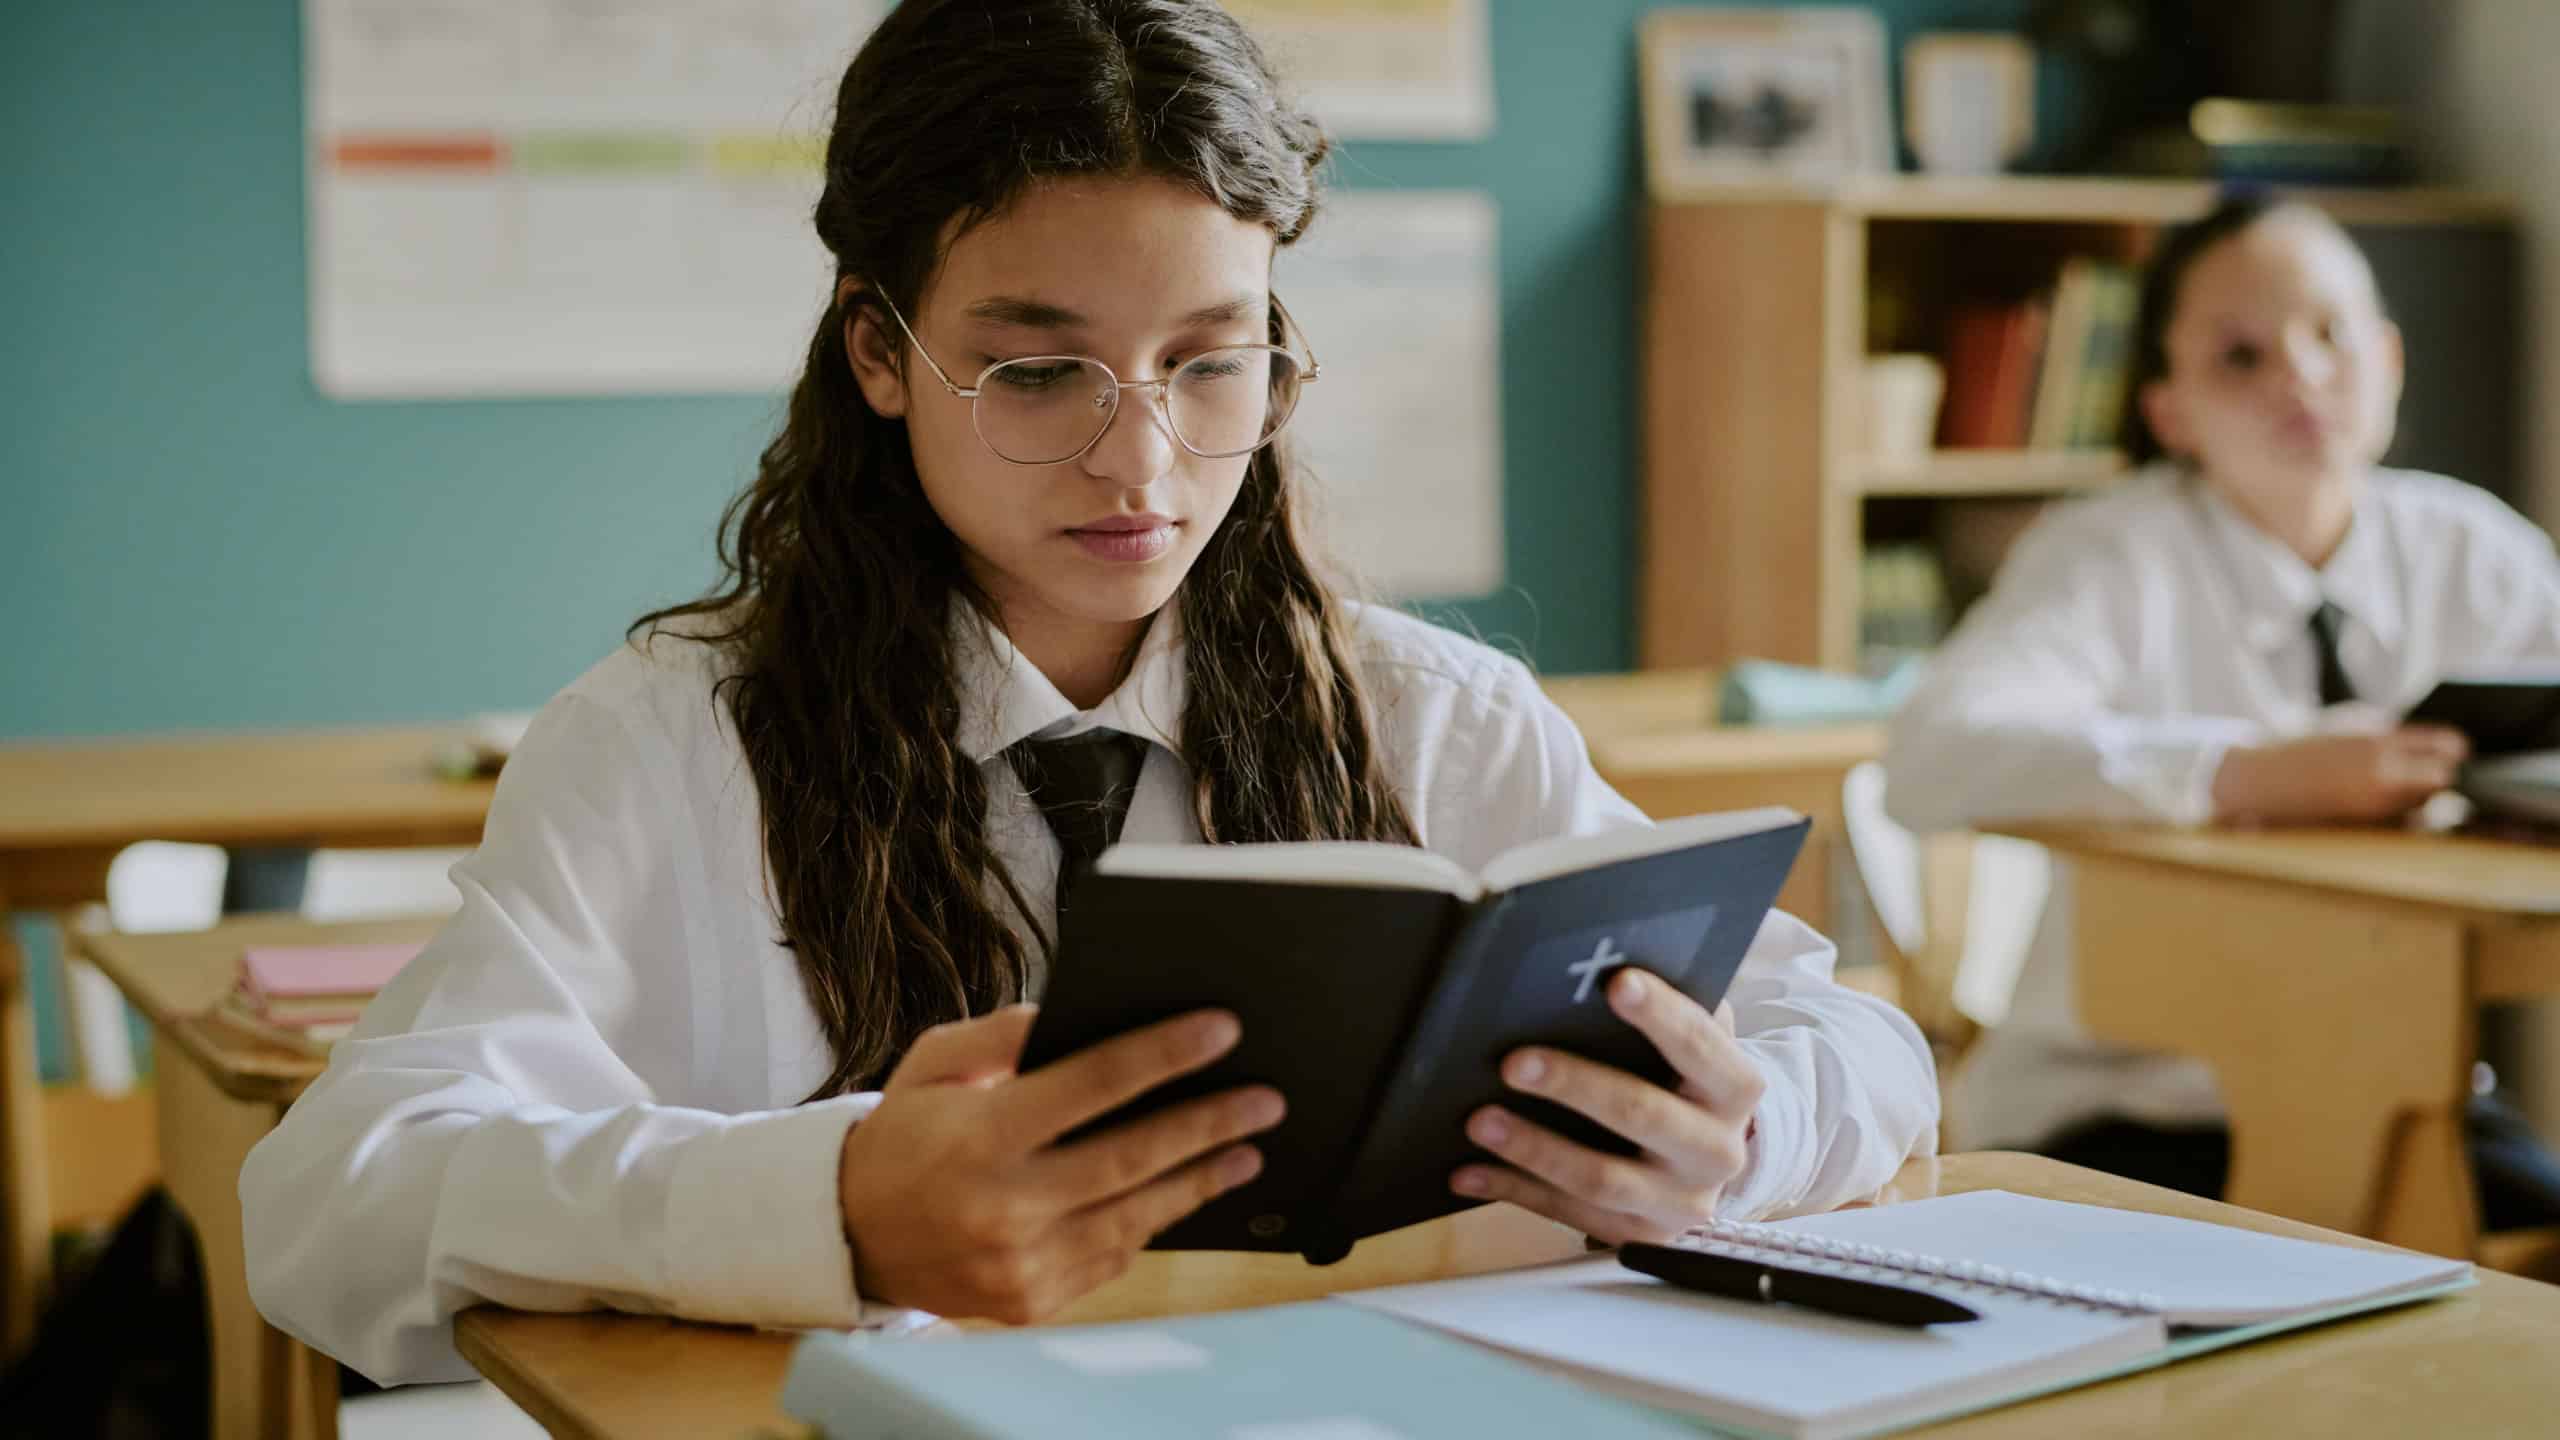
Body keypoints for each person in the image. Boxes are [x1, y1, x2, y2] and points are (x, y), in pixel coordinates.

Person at [240, 0, 1934, 1385]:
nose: (1143, 458)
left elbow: (1848, 1037)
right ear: (881, 353)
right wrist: (824, 1200)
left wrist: (1742, 1133)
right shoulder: (674, 740)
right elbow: (333, 1200)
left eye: (1214, 359)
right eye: (1040, 368)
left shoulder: (1428, 713)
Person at [1886, 195, 2560, 1221]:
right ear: (2170, 411)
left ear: (2388, 359)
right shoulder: (2111, 554)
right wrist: (2243, 773)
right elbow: (1930, 755)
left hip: (2407, 1090)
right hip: (2125, 1102)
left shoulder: (2480, 555)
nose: (2300, 374)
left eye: (2330, 335)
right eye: (2239, 356)